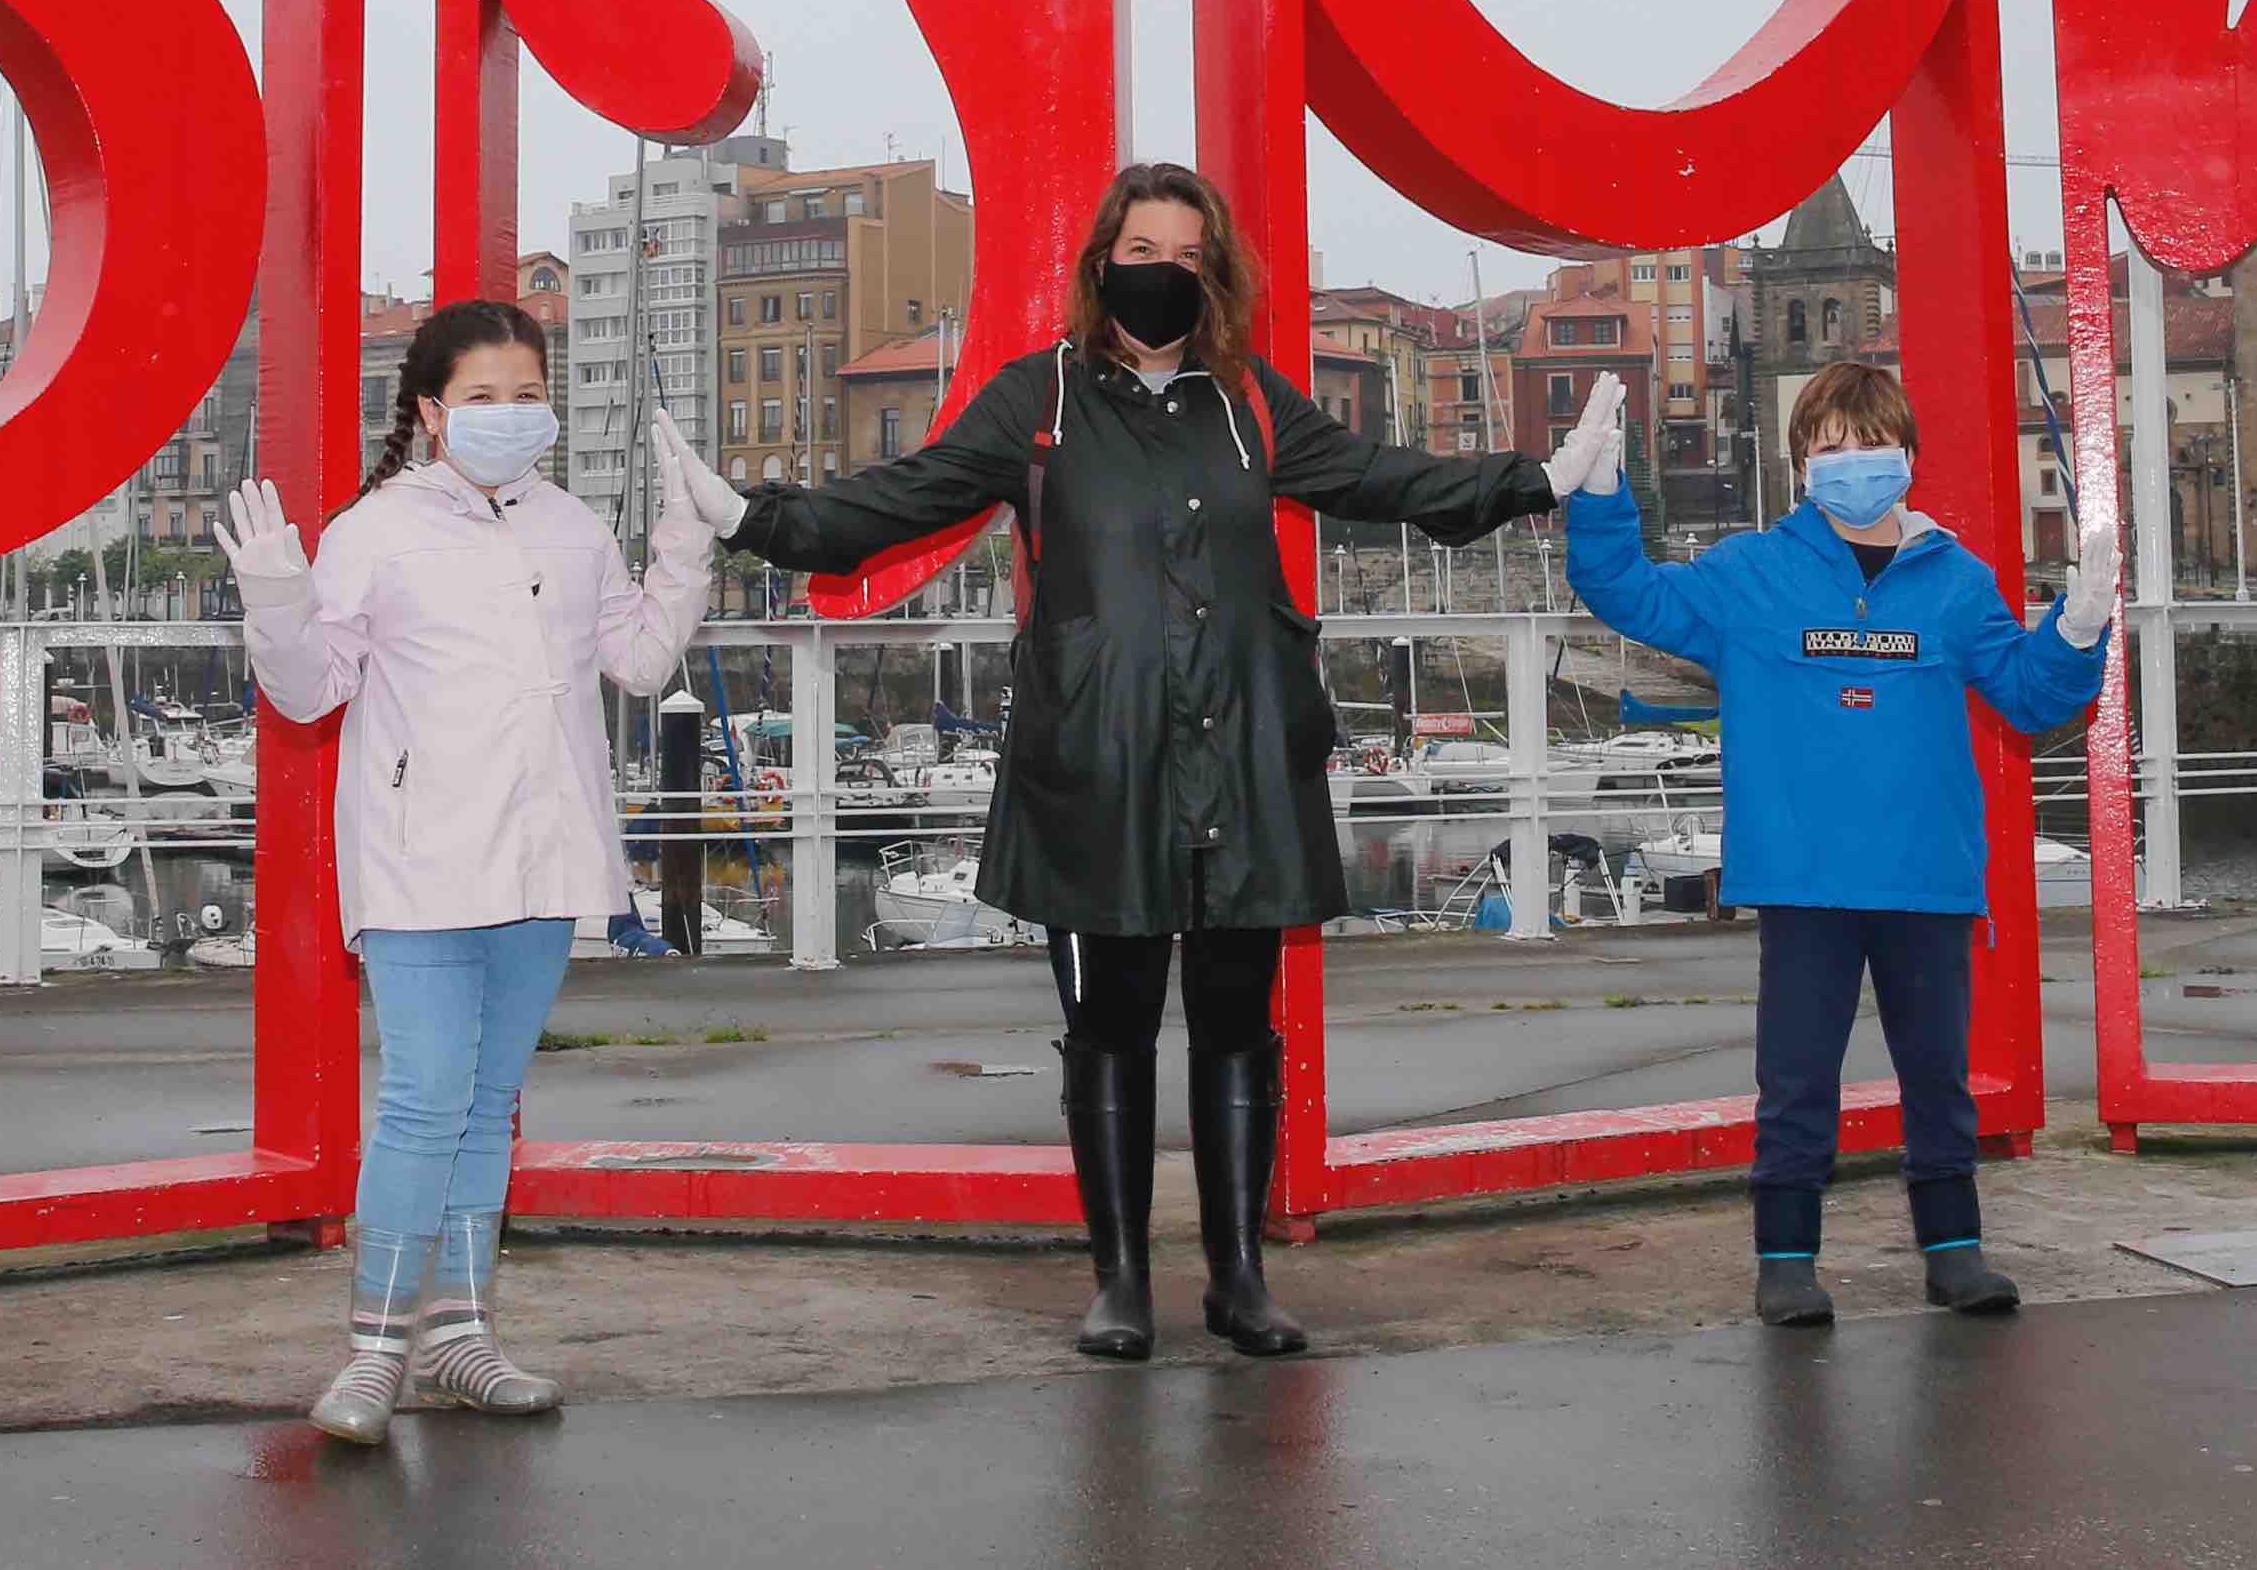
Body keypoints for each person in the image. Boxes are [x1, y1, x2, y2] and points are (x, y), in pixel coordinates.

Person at [644, 160, 1622, 1360]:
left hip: (1242, 756)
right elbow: (903, 498)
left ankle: (1238, 1277)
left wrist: (1537, 479)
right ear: (1100, 258)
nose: (1160, 275)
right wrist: (751, 517)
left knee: (1233, 1020)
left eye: (1186, 256)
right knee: (1106, 1023)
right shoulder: (1036, 400)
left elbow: (1385, 479)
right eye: (1140, 250)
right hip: (1096, 764)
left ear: (1215, 276)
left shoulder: (1249, 404)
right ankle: (1116, 1280)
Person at [223, 298, 715, 1445]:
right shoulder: (374, 532)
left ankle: (461, 1335)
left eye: (527, 394)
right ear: (432, 412)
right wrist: (276, 599)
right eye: (482, 397)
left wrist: (685, 544)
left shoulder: (569, 528)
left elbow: (641, 664)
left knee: (486, 1108)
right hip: (422, 860)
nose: (508, 415)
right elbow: (309, 692)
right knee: (421, 1103)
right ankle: (373, 1350)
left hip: (546, 859)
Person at [1556, 356, 2110, 1323]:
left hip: (1926, 873)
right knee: (1796, 1075)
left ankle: (1954, 1249)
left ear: (1910, 457)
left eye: (1871, 445)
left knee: (1938, 1074)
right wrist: (1603, 494)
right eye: (1830, 446)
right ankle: (1786, 1258)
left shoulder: (1958, 581)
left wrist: (2079, 627)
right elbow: (1632, 594)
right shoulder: (1751, 573)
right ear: (1800, 461)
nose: (1853, 462)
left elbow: (2029, 693)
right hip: (1804, 874)